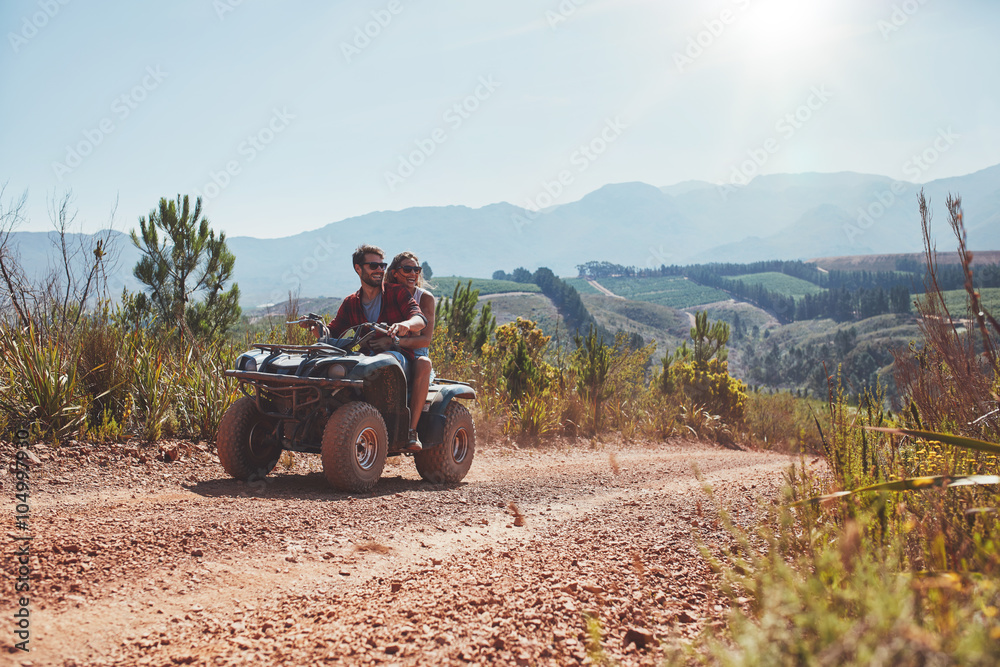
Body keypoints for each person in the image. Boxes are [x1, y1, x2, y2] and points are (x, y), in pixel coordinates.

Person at [303, 244, 425, 451]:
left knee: (383, 362)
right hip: (364, 360)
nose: (380, 270)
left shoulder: (397, 293)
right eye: (373, 265)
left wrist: (406, 324)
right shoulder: (351, 302)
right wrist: (315, 327)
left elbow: (419, 318)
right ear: (358, 269)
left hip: (397, 357)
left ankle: (401, 428)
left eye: (382, 265)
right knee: (321, 364)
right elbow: (331, 334)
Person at [386, 251, 435, 451]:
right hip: (387, 350)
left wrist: (399, 341)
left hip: (415, 352)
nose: (413, 273)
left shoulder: (424, 298)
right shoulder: (385, 293)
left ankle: (411, 431)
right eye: (407, 269)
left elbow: (426, 339)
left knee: (424, 364)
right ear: (395, 273)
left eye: (416, 269)